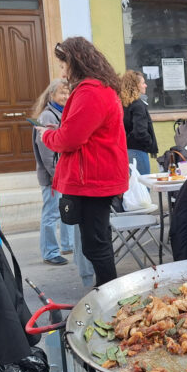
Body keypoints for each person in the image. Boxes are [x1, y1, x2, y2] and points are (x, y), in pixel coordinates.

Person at [39, 37, 129, 287]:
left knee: (96, 246)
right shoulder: (99, 88)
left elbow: (69, 139)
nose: (61, 70)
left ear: (74, 62)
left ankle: (109, 299)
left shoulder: (90, 91)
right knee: (97, 243)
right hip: (96, 176)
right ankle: (108, 296)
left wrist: (46, 135)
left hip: (93, 178)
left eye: (62, 64)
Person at [31, 79, 74, 266]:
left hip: (63, 174)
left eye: (68, 93)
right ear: (52, 95)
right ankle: (50, 252)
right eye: (62, 93)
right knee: (51, 214)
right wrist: (56, 174)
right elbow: (47, 149)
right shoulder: (48, 116)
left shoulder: (63, 113)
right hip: (52, 176)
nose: (65, 97)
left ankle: (67, 244)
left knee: (65, 209)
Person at [121, 70, 158, 175]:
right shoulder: (138, 105)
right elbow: (140, 131)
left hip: (127, 150)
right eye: (143, 83)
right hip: (138, 151)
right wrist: (149, 143)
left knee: (134, 188)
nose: (145, 85)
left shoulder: (124, 103)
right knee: (143, 188)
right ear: (135, 86)